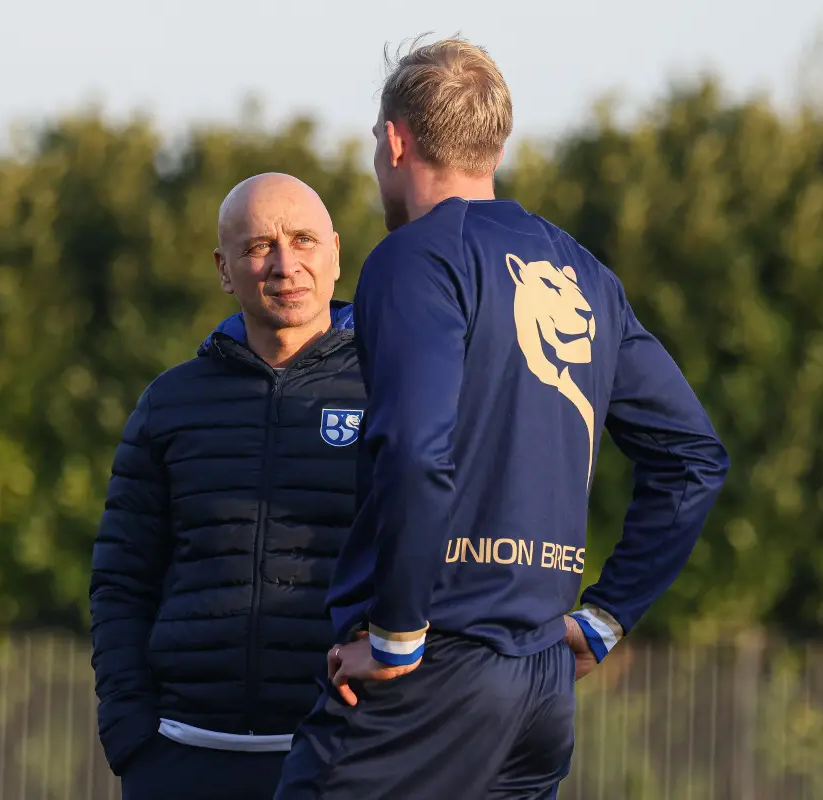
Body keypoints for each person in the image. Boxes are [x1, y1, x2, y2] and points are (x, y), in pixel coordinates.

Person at [274, 38, 730, 800]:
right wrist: (605, 619)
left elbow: (416, 451)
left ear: (395, 140)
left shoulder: (416, 258)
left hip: (430, 679)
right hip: (540, 691)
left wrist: (394, 638)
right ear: (496, 143)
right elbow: (694, 456)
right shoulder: (584, 272)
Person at [90, 173, 367, 800]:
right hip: (182, 758)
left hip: (343, 757)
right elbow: (121, 579)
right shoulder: (170, 403)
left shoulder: (395, 392)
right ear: (223, 268)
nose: (285, 264)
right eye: (258, 247)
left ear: (335, 253)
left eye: (303, 240)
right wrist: (132, 734)